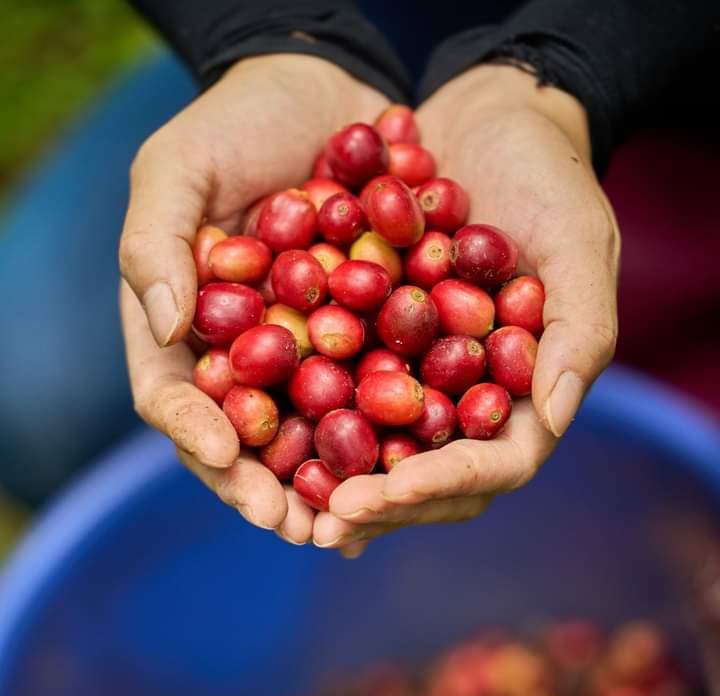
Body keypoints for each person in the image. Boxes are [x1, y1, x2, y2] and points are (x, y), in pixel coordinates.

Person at [1, 2, 717, 552]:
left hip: (656, 73)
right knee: (36, 388)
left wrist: (568, 70)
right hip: (348, 15)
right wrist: (263, 36)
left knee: (654, 498)